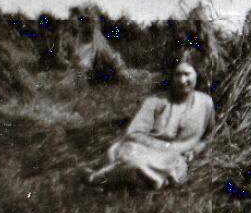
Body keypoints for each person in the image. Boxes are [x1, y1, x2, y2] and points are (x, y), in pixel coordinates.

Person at [87, 61, 215, 190]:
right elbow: (134, 133)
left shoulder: (206, 103)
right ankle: (131, 176)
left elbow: (208, 134)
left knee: (166, 165)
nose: (182, 80)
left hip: (174, 158)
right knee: (131, 156)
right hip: (144, 149)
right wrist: (164, 146)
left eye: (187, 74)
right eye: (177, 75)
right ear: (171, 77)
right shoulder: (155, 101)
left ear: (197, 75)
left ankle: (109, 177)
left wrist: (195, 149)